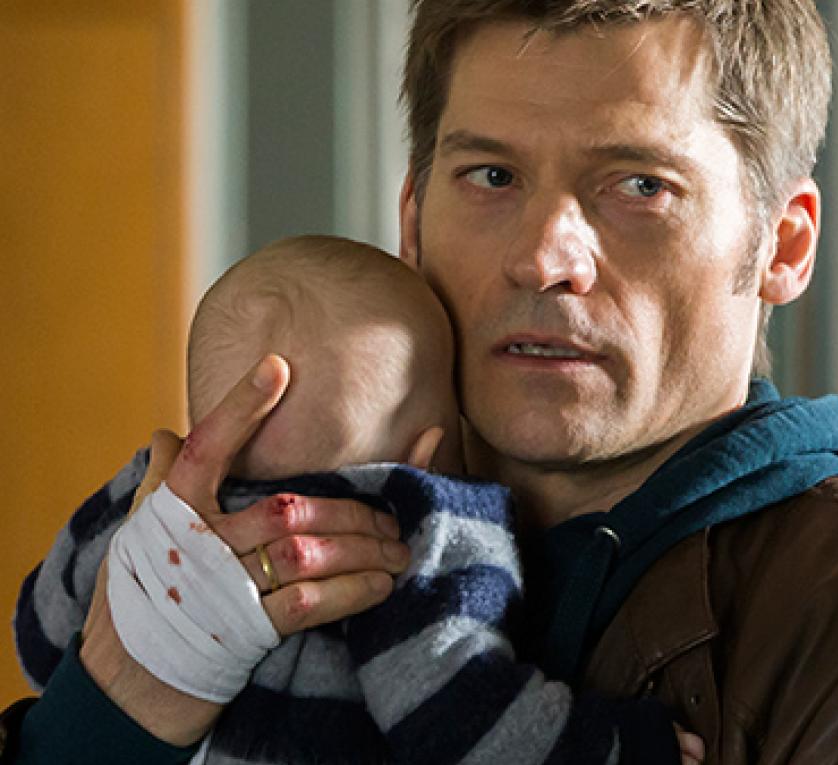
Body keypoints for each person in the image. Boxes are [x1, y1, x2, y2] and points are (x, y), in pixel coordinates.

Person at [3, 1, 838, 763]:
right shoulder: (249, 526)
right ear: (412, 221)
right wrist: (119, 702)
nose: (543, 257)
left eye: (640, 186)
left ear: (783, 246)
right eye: (491, 176)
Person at [12, 234, 699, 763]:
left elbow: (38, 638)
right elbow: (465, 717)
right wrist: (620, 746)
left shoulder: (154, 507)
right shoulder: (418, 527)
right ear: (430, 453)